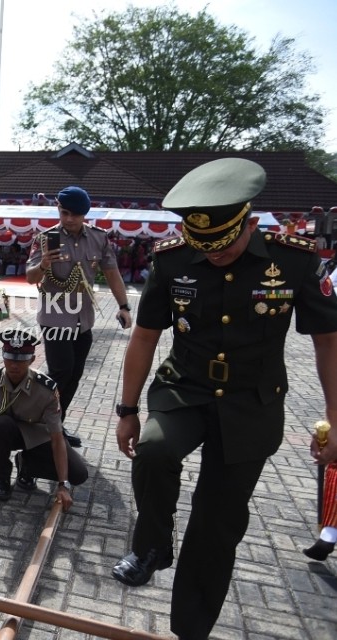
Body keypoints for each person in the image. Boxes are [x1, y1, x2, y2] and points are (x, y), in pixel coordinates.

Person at [112, 158, 337, 640]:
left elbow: (328, 341)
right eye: (203, 246)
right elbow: (145, 337)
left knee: (217, 523)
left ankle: (190, 629)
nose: (213, 254)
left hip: (251, 405)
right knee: (153, 449)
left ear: (250, 223)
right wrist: (127, 411)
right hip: (184, 391)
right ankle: (151, 546)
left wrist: (335, 417)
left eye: (224, 244)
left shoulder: (294, 258)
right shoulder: (172, 259)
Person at [26, 186, 132, 449]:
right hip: (54, 318)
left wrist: (124, 305)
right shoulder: (44, 239)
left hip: (83, 320)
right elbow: (30, 277)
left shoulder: (98, 238)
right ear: (59, 211)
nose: (69, 219)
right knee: (61, 372)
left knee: (74, 374)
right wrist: (43, 265)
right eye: (65, 213)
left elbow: (111, 272)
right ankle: (38, 426)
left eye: (75, 214)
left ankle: (56, 425)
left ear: (85, 214)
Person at [0, 328, 87, 507]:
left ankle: (26, 466)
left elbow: (57, 439)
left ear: (32, 360)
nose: (14, 365)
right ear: (3, 356)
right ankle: (2, 478)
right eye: (10, 358)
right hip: (8, 432)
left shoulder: (46, 389)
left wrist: (62, 485)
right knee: (0, 424)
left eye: (21, 360)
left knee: (78, 474)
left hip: (39, 436)